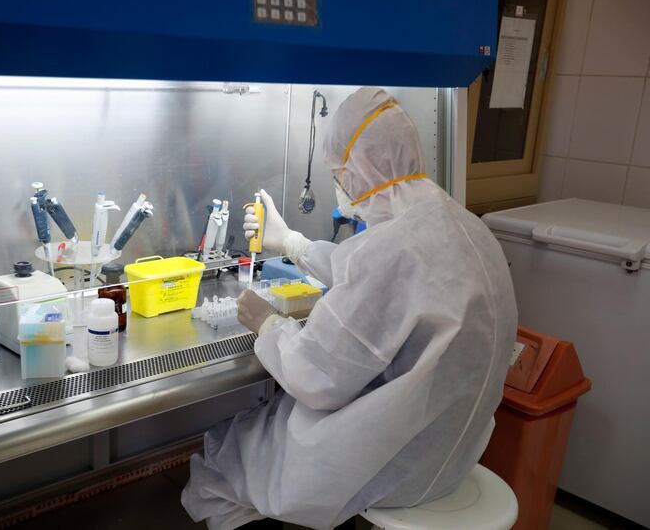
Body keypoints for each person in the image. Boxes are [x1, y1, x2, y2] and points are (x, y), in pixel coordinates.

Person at [181, 87, 517, 530]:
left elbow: (316, 378)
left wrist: (269, 325)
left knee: (225, 456)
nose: (339, 184)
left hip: (387, 467)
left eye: (338, 173)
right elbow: (373, 272)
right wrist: (293, 243)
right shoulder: (461, 225)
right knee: (257, 432)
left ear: (360, 170)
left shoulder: (392, 249)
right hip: (451, 451)